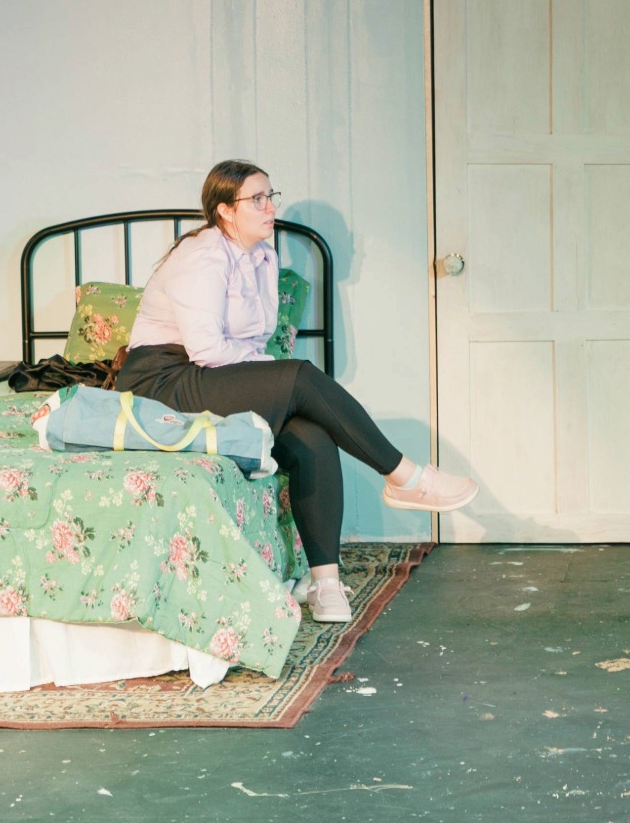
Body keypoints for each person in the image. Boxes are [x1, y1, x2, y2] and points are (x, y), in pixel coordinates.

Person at [118, 160, 478, 624]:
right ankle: (407, 477)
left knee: (312, 434)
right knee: (300, 375)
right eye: (257, 199)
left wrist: (271, 375)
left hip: (208, 374)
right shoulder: (203, 255)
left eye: (272, 196)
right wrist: (278, 375)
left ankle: (325, 583)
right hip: (161, 381)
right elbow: (207, 349)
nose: (270, 208)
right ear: (226, 211)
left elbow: (250, 342)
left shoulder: (263, 257)